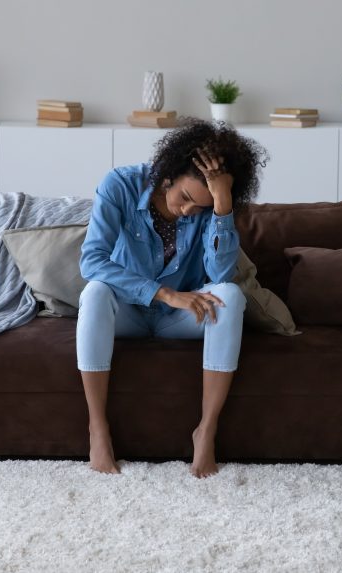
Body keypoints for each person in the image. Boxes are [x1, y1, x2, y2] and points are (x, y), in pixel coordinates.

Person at [76, 118, 268, 478]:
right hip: (128, 314)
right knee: (95, 292)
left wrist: (222, 205)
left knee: (230, 295)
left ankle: (206, 430)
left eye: (202, 207)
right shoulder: (120, 184)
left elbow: (220, 274)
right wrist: (163, 293)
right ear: (168, 175)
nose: (188, 211)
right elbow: (92, 261)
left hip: (182, 320)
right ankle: (97, 428)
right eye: (184, 198)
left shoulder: (214, 206)